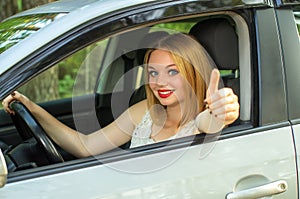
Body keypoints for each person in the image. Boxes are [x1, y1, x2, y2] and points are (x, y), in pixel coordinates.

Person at [2, 33, 239, 158]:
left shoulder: (203, 117)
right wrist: (31, 107)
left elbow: (211, 122)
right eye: (153, 72)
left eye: (173, 72)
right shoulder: (145, 110)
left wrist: (223, 110)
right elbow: (85, 146)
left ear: (193, 73)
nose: (159, 82)